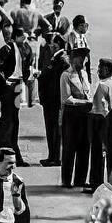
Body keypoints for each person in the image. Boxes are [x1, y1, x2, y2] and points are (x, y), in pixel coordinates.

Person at [0, 24, 32, 163]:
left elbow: (26, 66)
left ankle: (11, 152)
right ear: (15, 37)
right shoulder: (8, 48)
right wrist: (4, 82)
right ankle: (3, 152)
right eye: (22, 36)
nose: (24, 39)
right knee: (7, 120)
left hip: (17, 86)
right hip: (10, 86)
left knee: (14, 119)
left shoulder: (24, 49)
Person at [59, 46, 93, 190]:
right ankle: (66, 180)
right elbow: (67, 98)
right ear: (74, 59)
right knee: (69, 147)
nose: (84, 62)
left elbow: (88, 91)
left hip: (85, 114)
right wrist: (86, 102)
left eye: (85, 59)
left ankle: (80, 179)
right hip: (72, 114)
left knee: (84, 147)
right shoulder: (66, 75)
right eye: (81, 58)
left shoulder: (84, 74)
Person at [87, 57, 112, 188]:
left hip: (100, 120)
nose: (98, 71)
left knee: (97, 153)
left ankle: (96, 182)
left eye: (100, 68)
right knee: (111, 153)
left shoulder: (102, 85)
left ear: (106, 69)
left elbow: (99, 107)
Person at [37, 34, 68, 167]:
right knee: (52, 129)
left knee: (53, 129)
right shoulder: (57, 58)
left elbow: (54, 80)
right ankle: (53, 156)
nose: (52, 47)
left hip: (53, 100)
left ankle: (55, 157)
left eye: (54, 45)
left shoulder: (61, 60)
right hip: (51, 99)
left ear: (59, 45)